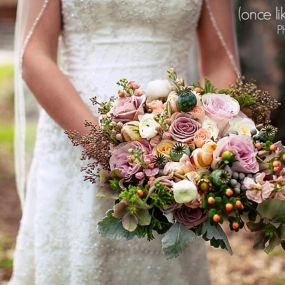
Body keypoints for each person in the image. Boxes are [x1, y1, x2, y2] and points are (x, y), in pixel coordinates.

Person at [10, 0, 239, 284]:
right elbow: (34, 56)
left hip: (171, 154)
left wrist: (199, 144)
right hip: (74, 139)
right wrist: (104, 149)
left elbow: (221, 63)